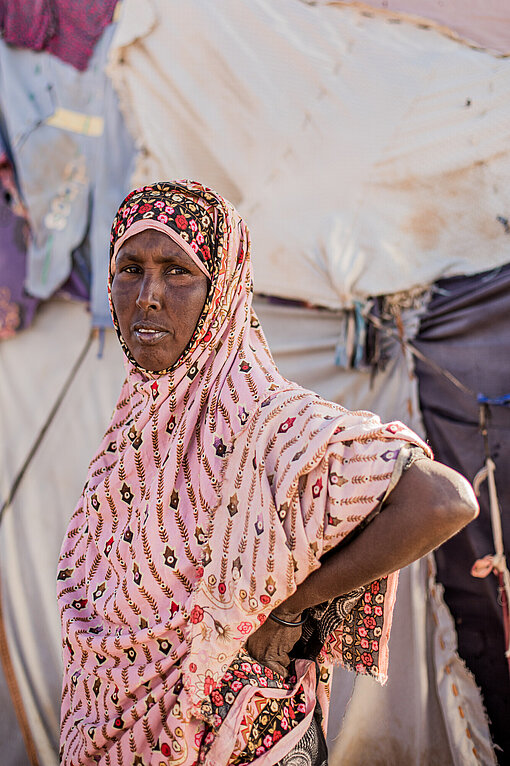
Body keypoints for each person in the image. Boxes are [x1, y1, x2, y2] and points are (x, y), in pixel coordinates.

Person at [58, 180, 478, 766]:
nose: (147, 295)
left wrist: (290, 609)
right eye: (130, 268)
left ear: (221, 290)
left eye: (177, 271)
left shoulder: (273, 426)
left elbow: (443, 500)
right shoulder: (134, 430)